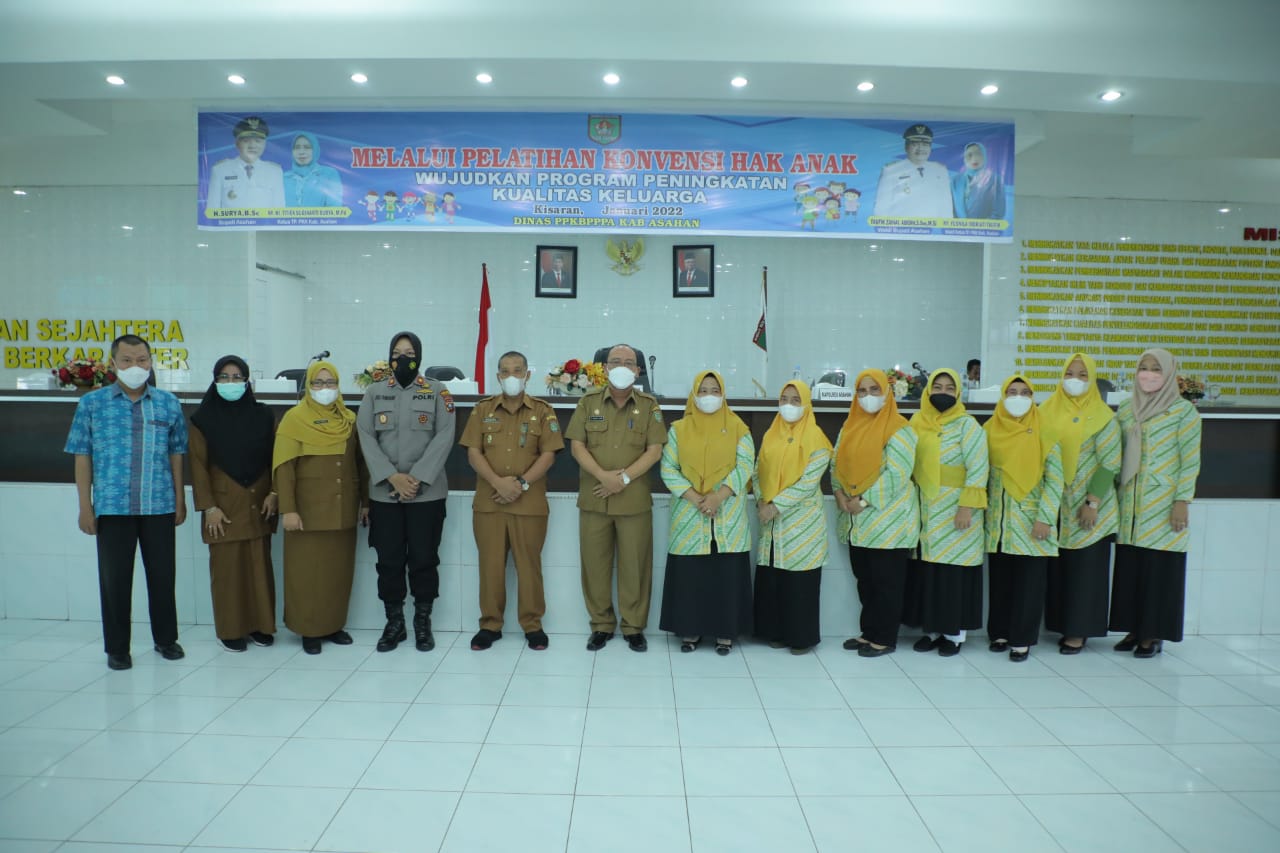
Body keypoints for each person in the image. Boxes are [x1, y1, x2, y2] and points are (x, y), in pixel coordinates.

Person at [65, 334, 188, 671]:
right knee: (115, 580)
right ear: (113, 363)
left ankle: (166, 639)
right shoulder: (92, 404)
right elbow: (82, 457)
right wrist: (85, 507)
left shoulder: (168, 403)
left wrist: (180, 500)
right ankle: (117, 648)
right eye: (127, 360)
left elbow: (177, 455)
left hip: (159, 504)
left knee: (162, 577)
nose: (136, 366)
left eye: (142, 360)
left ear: (151, 362)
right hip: (113, 507)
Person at [356, 332, 455, 653]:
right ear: (388, 357)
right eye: (396, 353)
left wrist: (415, 479)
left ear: (420, 357)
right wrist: (390, 477)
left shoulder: (439, 392)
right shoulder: (374, 392)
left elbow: (445, 436)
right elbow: (366, 438)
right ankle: (394, 623)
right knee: (389, 560)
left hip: (426, 494)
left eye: (409, 353)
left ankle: (421, 623)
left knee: (424, 559)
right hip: (385, 495)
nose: (402, 359)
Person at [565, 344, 667, 652]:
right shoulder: (588, 402)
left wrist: (622, 479)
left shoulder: (649, 406)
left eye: (628, 362)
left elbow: (655, 450)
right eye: (615, 362)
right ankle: (601, 625)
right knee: (595, 565)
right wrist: (604, 476)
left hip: (633, 500)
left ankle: (633, 627)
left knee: (634, 567)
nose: (622, 366)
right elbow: (577, 446)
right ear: (604, 368)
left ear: (638, 371)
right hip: (595, 498)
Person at [461, 350, 564, 651]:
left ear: (527, 375)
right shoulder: (482, 410)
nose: (511, 377)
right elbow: (473, 452)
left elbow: (549, 454)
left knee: (528, 566)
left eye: (517, 371)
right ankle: (490, 625)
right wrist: (497, 482)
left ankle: (532, 626)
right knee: (490, 566)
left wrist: (520, 484)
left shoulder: (543, 411)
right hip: (490, 501)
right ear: (497, 376)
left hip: (528, 503)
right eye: (505, 372)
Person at [1110, 348, 1202, 658]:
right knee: (1132, 567)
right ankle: (1134, 628)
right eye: (1143, 368)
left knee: (1158, 570)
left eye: (1156, 369)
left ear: (1169, 374)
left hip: (1163, 504)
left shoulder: (1183, 412)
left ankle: (1152, 635)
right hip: (1130, 505)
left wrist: (1182, 500)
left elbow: (1190, 461)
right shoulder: (1125, 410)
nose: (1148, 374)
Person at [273, 360, 368, 654]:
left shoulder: (349, 420)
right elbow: (284, 469)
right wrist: (288, 509)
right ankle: (308, 629)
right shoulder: (294, 419)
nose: (325, 389)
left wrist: (365, 502)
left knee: (337, 573)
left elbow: (360, 465)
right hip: (307, 513)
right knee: (306, 574)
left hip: (342, 509)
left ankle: (333, 625)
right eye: (318, 383)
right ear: (308, 386)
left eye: (330, 383)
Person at [658, 370, 755, 655]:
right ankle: (691, 630)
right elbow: (668, 468)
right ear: (694, 394)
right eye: (703, 390)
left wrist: (718, 496)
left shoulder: (739, 427)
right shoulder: (678, 429)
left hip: (727, 513)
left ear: (723, 394)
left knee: (725, 573)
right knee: (692, 576)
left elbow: (746, 465)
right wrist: (697, 498)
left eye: (715, 390)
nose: (709, 396)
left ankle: (725, 633)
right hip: (690, 512)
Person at [189, 356, 278, 653]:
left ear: (248, 380)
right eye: (224, 377)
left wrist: (274, 493)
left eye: (237, 376)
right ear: (215, 381)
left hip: (258, 501)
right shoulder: (202, 420)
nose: (231, 383)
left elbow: (275, 459)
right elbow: (198, 467)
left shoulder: (264, 416)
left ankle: (261, 626)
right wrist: (209, 507)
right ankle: (230, 629)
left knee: (258, 568)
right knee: (228, 572)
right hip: (223, 507)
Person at [831, 369, 919, 657]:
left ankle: (884, 637)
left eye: (874, 390)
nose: (868, 397)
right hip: (855, 519)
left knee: (887, 583)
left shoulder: (900, 428)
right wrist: (841, 494)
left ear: (887, 393)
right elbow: (836, 464)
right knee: (865, 580)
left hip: (888, 520)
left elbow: (898, 472)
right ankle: (869, 632)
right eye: (862, 391)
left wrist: (865, 500)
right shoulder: (849, 426)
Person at [1040, 353, 1121, 654]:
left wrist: (1093, 501)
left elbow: (1109, 463)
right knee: (1061, 568)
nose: (1075, 380)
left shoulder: (1103, 417)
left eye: (1083, 375)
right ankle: (1061, 624)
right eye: (1070, 373)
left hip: (1088, 503)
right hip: (1055, 501)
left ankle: (1079, 631)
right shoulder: (1047, 410)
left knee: (1086, 569)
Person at [904, 368, 988, 656]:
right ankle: (934, 630)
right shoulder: (917, 421)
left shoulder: (968, 426)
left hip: (957, 510)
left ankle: (955, 635)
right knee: (931, 573)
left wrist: (966, 507)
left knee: (954, 575)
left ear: (958, 393)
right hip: (927, 509)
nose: (942, 393)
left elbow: (978, 469)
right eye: (937, 387)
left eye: (949, 388)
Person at [983, 376, 1064, 662]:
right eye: (1012, 392)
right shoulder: (990, 430)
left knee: (1029, 584)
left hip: (1032, 522)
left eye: (1025, 392)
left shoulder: (1046, 432)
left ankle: (1022, 638)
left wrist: (1045, 518)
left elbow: (1055, 481)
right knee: (1001, 581)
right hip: (999, 521)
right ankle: (1000, 633)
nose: (1018, 397)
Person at [753, 380, 833, 654]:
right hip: (771, 520)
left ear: (807, 404)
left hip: (801, 521)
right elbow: (758, 469)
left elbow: (809, 482)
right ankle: (775, 631)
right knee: (775, 577)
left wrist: (775, 506)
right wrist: (762, 499)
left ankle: (801, 638)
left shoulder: (817, 438)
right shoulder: (770, 434)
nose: (788, 405)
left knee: (800, 582)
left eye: (796, 400)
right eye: (784, 398)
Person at [873, 123, 953, 218]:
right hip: (902, 229)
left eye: (925, 144)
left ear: (930, 148)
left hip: (932, 229)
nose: (920, 148)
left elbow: (946, 205)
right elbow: (882, 206)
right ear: (906, 147)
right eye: (915, 144)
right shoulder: (891, 170)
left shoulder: (940, 170)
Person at [207, 115, 285, 209]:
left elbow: (279, 211)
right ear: (237, 143)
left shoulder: (275, 171)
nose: (252, 145)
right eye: (246, 141)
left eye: (258, 141)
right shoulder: (220, 170)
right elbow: (212, 210)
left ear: (264, 144)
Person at [282, 131, 344, 207]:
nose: (301, 152)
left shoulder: (329, 174)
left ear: (315, 150)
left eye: (307, 147)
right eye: (297, 147)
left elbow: (335, 209)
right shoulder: (283, 178)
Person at [950, 141, 1007, 220]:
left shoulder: (995, 179)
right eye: (969, 155)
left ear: (985, 156)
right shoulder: (955, 180)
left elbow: (999, 213)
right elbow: (951, 210)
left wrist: (981, 229)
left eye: (978, 154)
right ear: (964, 159)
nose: (974, 158)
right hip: (958, 229)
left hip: (984, 230)